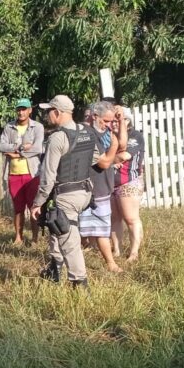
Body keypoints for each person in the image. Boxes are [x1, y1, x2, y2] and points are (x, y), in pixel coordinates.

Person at [31, 95, 118, 287]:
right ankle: (54, 266)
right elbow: (99, 159)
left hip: (66, 195)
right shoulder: (86, 132)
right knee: (57, 224)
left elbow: (48, 176)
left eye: (49, 111)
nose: (47, 115)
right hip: (85, 192)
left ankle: (79, 282)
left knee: (70, 239)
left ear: (57, 112)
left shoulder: (57, 138)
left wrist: (37, 203)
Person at [79, 101, 125, 273]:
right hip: (89, 190)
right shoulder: (86, 135)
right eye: (106, 121)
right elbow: (105, 162)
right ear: (94, 116)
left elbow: (122, 145)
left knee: (101, 229)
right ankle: (73, 264)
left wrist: (120, 122)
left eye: (110, 121)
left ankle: (110, 263)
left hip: (102, 189)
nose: (108, 125)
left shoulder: (101, 132)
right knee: (80, 230)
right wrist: (113, 148)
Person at [0, 98, 46, 246]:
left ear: (30, 110)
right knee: (18, 208)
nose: (21, 112)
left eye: (24, 109)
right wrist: (21, 147)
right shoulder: (9, 127)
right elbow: (2, 146)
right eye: (19, 109)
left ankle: (34, 238)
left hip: (32, 174)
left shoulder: (37, 127)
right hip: (13, 173)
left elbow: (38, 148)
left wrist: (16, 154)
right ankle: (18, 237)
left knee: (34, 207)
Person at [111, 109, 146, 263]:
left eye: (120, 119)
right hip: (111, 183)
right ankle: (117, 250)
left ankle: (134, 253)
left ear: (128, 121)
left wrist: (107, 159)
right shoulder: (110, 136)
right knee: (114, 219)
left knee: (131, 218)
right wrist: (112, 159)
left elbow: (124, 156)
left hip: (129, 181)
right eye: (113, 120)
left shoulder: (135, 136)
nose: (116, 122)